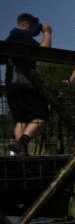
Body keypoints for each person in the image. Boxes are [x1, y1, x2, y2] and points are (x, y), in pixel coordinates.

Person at [5, 13, 52, 156]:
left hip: (10, 84)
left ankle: (18, 154)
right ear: (30, 26)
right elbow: (43, 52)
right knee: (42, 116)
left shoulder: (10, 38)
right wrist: (47, 33)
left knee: (21, 120)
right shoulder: (22, 37)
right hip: (25, 84)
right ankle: (22, 142)